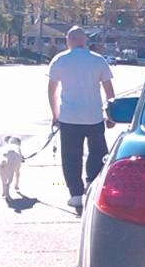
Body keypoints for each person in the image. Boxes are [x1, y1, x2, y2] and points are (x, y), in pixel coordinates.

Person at [47, 26, 116, 208]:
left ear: (69, 41)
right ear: (84, 40)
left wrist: (55, 115)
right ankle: (92, 184)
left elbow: (52, 91)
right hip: (93, 116)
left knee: (71, 156)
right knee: (98, 153)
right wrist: (111, 115)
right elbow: (109, 90)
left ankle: (75, 194)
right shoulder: (98, 60)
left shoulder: (59, 60)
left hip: (69, 117)